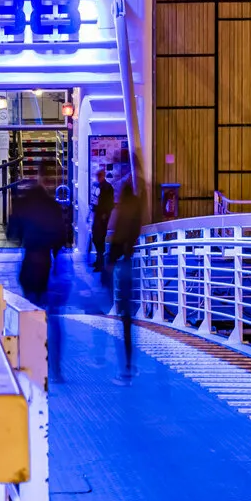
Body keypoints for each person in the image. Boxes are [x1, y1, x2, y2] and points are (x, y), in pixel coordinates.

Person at [14, 160, 69, 383]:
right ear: (51, 179)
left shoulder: (25, 202)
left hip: (29, 264)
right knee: (53, 319)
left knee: (29, 314)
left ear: (37, 175)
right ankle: (55, 369)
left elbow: (13, 233)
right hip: (47, 266)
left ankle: (31, 364)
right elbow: (60, 241)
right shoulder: (54, 207)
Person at [103, 155, 144, 379]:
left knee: (125, 314)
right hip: (135, 262)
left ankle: (126, 365)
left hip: (125, 265)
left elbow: (118, 236)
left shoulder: (125, 207)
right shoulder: (138, 203)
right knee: (128, 315)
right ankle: (129, 362)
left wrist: (109, 263)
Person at [88, 164, 115, 271]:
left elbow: (109, 204)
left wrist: (105, 215)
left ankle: (100, 262)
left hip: (102, 217)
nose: (97, 177)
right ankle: (99, 260)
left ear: (103, 175)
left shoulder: (107, 188)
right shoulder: (97, 186)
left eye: (99, 175)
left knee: (99, 238)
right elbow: (95, 199)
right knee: (96, 237)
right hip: (97, 215)